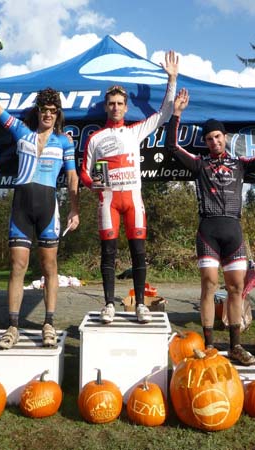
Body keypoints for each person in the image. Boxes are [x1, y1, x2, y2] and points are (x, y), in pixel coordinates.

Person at [166, 87, 255, 365]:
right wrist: (176, 114)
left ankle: (236, 346)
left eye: (217, 136)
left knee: (236, 289)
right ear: (206, 142)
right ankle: (210, 345)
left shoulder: (240, 165)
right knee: (209, 285)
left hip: (233, 231)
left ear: (225, 138)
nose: (214, 141)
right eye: (209, 138)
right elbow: (171, 147)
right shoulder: (200, 165)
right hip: (208, 231)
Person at [0, 50, 79, 349]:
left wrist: (74, 208)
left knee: (49, 267)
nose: (48, 114)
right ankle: (13, 325)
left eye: (53, 110)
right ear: (38, 111)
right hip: (21, 204)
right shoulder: (21, 131)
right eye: (44, 109)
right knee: (18, 266)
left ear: (58, 113)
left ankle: (48, 322)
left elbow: (71, 178)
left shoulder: (65, 141)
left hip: (48, 205)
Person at [80, 50, 179, 324]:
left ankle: (140, 306)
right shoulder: (95, 138)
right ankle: (109, 304)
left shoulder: (134, 131)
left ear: (125, 107)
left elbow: (165, 113)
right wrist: (95, 186)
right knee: (108, 254)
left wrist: (172, 78)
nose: (115, 107)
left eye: (119, 103)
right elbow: (85, 173)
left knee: (139, 253)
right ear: (105, 106)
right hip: (108, 202)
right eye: (111, 103)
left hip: (133, 201)